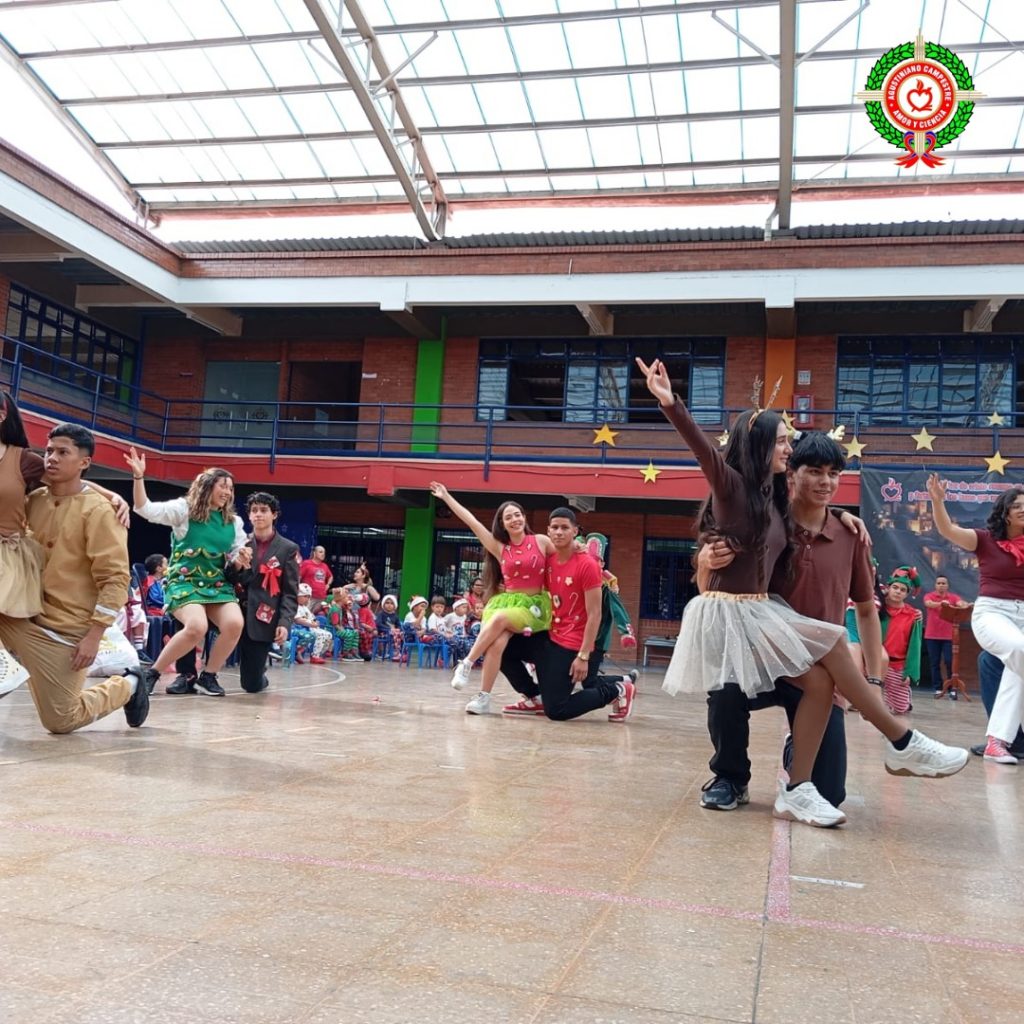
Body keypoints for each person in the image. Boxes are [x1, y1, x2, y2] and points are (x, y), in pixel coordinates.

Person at [638, 357, 967, 827]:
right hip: (737, 621)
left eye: (791, 443)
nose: (789, 449)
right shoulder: (734, 489)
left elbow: (859, 597)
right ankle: (900, 739)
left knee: (819, 682)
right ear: (760, 445)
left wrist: (846, 518)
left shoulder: (776, 501)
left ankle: (798, 789)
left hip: (765, 618)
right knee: (820, 646)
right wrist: (672, 404)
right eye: (782, 441)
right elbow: (706, 454)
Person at [697, 431, 883, 811]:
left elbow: (866, 610)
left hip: (818, 671)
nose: (825, 481)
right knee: (725, 687)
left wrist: (875, 681)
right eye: (814, 471)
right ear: (791, 474)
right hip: (760, 659)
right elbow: (713, 592)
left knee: (830, 795)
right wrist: (704, 561)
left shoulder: (851, 536)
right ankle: (730, 778)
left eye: (833, 473)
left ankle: (797, 750)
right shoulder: (763, 524)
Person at [0, 424, 148, 731]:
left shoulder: (100, 512)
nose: (51, 458)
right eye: (48, 451)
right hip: (21, 615)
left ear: (84, 462)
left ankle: (131, 684)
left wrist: (94, 637)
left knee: (60, 720)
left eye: (62, 452)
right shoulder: (33, 500)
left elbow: (115, 580)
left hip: (65, 630)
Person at [127, 449, 247, 697]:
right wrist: (139, 477)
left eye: (231, 488)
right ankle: (153, 673)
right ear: (207, 487)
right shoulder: (184, 510)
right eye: (223, 486)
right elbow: (144, 508)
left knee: (235, 624)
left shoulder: (234, 523)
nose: (227, 492)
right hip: (184, 582)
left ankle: (208, 676)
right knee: (196, 626)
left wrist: (241, 559)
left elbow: (236, 555)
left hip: (216, 584)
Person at [499, 507, 636, 722]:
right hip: (547, 634)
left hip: (570, 644)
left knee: (557, 711)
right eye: (555, 527)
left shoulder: (588, 565)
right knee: (500, 648)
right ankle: (535, 697)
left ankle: (617, 690)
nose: (559, 532)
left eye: (565, 527)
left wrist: (583, 656)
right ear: (548, 531)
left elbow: (595, 614)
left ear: (575, 531)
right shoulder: (548, 560)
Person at [429, 482, 554, 715]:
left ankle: (466, 663)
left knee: (499, 619)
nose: (514, 519)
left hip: (533, 606)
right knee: (496, 645)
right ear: (502, 524)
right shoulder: (500, 548)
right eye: (508, 517)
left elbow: (564, 559)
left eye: (517, 514)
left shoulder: (541, 541)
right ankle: (484, 698)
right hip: (508, 602)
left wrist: (582, 550)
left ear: (524, 517)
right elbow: (472, 521)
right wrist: (446, 496)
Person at [926, 475, 1024, 765]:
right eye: (1017, 505)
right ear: (1005, 512)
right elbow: (947, 529)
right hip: (994, 612)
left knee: (1016, 666)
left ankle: (997, 742)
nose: (1023, 509)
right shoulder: (984, 539)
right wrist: (937, 501)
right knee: (1020, 650)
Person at [223, 492, 300, 693]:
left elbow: (290, 592)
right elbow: (228, 577)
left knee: (251, 685)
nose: (258, 514)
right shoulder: (240, 543)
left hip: (262, 617)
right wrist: (237, 565)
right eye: (254, 510)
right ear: (249, 515)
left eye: (264, 510)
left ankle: (260, 675)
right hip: (232, 611)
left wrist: (284, 623)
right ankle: (190, 675)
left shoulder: (288, 548)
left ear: (274, 515)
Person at [879, 566, 923, 715]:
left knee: (899, 709)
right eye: (895, 587)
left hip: (897, 664)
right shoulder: (878, 608)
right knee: (866, 703)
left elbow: (915, 646)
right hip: (875, 661)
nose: (898, 591)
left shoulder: (912, 615)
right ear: (888, 588)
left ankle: (904, 698)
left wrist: (909, 672)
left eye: (903, 590)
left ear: (907, 594)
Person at [923, 575, 968, 698]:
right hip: (932, 636)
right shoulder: (929, 596)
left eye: (943, 583)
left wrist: (965, 604)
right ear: (935, 585)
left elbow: (960, 603)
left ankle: (952, 688)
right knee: (934, 663)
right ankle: (937, 688)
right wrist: (941, 603)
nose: (941, 585)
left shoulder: (953, 597)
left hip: (949, 636)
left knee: (950, 662)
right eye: (939, 583)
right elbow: (929, 603)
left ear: (947, 585)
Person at [291, 584, 332, 663]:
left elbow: (311, 617)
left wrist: (315, 621)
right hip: (301, 627)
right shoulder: (295, 606)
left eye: (308, 597)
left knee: (328, 634)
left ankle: (319, 654)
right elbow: (298, 620)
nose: (307, 599)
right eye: (305, 596)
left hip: (310, 627)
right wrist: (311, 624)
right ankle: (314, 655)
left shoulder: (305, 608)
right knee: (320, 634)